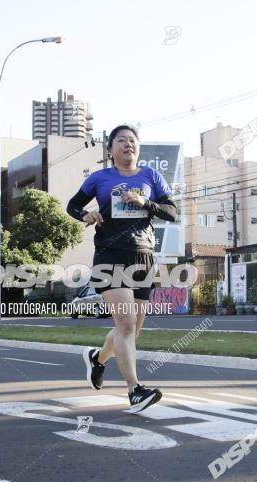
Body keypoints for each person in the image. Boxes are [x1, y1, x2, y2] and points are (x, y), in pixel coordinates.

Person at [66, 123, 179, 413]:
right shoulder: (99, 178)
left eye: (132, 140)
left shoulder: (151, 176)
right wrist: (86, 215)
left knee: (131, 331)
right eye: (121, 140)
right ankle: (135, 391)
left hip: (143, 256)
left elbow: (173, 212)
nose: (128, 144)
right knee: (126, 325)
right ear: (110, 148)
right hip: (110, 255)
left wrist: (147, 202)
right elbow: (72, 206)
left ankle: (98, 359)